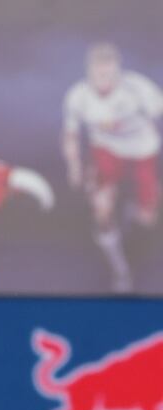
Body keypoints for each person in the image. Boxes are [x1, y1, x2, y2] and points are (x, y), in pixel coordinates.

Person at [62, 42, 163, 292]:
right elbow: (70, 135)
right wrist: (73, 165)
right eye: (98, 74)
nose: (103, 80)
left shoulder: (138, 89)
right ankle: (120, 270)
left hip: (141, 151)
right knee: (102, 210)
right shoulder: (79, 96)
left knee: (147, 217)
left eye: (109, 74)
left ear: (118, 71)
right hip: (105, 151)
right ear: (89, 72)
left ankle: (136, 215)